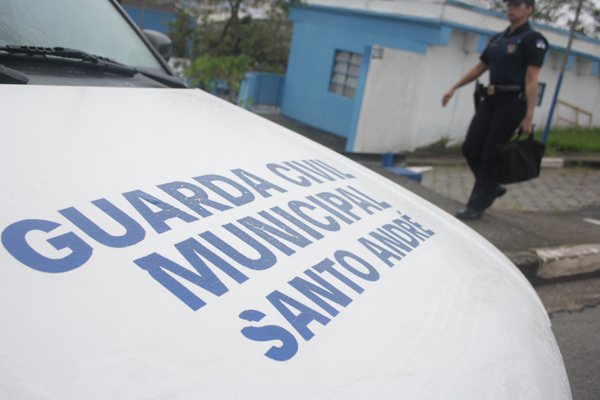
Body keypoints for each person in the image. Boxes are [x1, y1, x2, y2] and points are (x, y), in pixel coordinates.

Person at [442, 0, 548, 220]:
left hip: (512, 102)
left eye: (517, 5)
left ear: (528, 9)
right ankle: (493, 186)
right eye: (509, 4)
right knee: (471, 147)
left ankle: (476, 205)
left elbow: (531, 79)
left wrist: (529, 117)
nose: (511, 8)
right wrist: (454, 87)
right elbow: (480, 67)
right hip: (490, 100)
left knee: (491, 152)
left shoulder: (533, 40)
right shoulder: (499, 39)